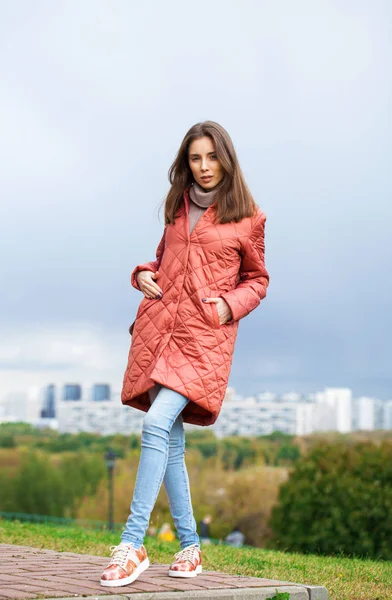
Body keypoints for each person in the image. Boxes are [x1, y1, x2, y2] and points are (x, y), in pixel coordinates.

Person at [100, 121, 270, 587]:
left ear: (226, 159)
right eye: (196, 158)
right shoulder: (177, 208)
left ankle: (133, 544)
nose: (204, 166)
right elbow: (161, 260)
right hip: (160, 335)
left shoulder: (248, 217)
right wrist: (142, 274)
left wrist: (227, 306)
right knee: (170, 444)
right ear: (186, 163)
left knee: (155, 425)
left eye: (212, 157)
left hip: (203, 341)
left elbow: (258, 281)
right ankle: (191, 548)